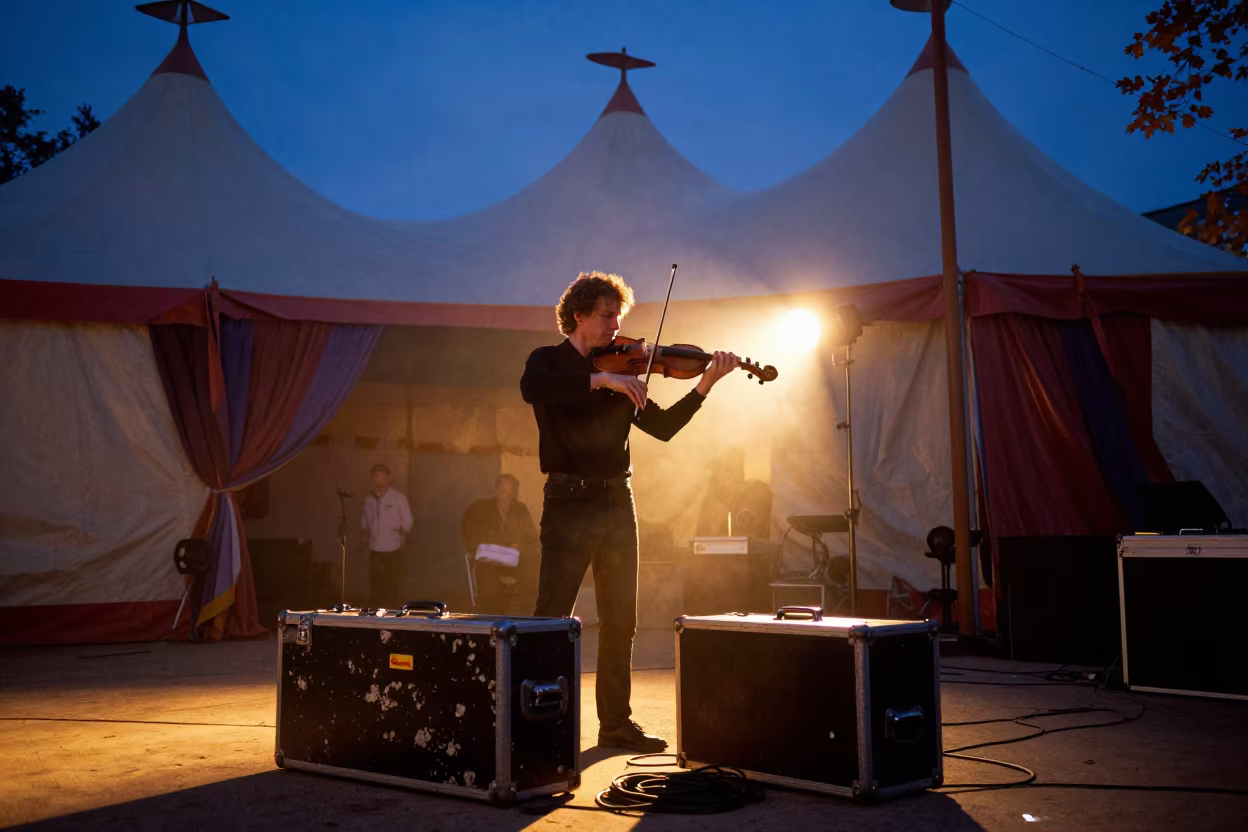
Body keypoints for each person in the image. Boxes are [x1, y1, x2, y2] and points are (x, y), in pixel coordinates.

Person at [520, 271, 738, 752]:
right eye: (605, 315)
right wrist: (604, 379)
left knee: (622, 618)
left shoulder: (627, 372)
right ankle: (537, 721)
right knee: (552, 617)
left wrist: (704, 386)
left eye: (617, 315)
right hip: (568, 503)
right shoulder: (549, 363)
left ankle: (615, 725)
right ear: (578, 315)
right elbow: (534, 389)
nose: (615, 325)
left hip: (618, 502)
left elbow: (662, 429)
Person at [460, 473, 540, 614]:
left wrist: (519, 546)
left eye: (510, 492)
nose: (506, 496)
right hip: (490, 560)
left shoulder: (520, 510)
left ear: (515, 493)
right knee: (488, 578)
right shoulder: (481, 510)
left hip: (514, 559)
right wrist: (492, 546)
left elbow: (530, 536)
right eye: (503, 491)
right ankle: (491, 615)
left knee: (532, 565)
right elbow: (473, 536)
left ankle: (524, 613)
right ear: (497, 491)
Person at [360, 463, 412, 609]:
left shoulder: (398, 498)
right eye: (376, 476)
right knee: (376, 582)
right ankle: (374, 611)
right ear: (372, 478)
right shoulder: (369, 499)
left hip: (393, 547)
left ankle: (392, 612)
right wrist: (364, 533)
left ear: (389, 479)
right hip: (375, 548)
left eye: (383, 477)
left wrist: (404, 535)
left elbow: (407, 519)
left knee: (392, 582)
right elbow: (365, 519)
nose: (380, 480)